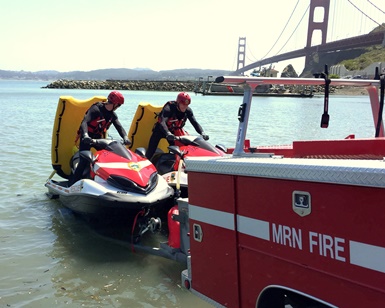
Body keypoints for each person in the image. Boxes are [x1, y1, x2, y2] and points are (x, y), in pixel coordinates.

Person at [69, 90, 131, 185]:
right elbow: (84, 122)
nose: (118, 108)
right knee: (83, 161)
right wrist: (85, 135)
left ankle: (107, 180)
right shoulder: (96, 109)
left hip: (98, 139)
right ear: (114, 103)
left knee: (109, 156)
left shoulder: (112, 115)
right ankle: (72, 184)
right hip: (87, 138)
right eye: (118, 105)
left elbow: (119, 127)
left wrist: (125, 137)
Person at [145, 92, 209, 160]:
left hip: (174, 132)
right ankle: (146, 162)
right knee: (151, 151)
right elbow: (162, 122)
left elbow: (195, 123)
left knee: (179, 151)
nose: (185, 106)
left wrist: (202, 133)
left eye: (187, 105)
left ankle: (178, 165)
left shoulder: (188, 111)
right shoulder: (169, 108)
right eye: (183, 104)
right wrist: (168, 133)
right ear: (178, 103)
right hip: (161, 130)